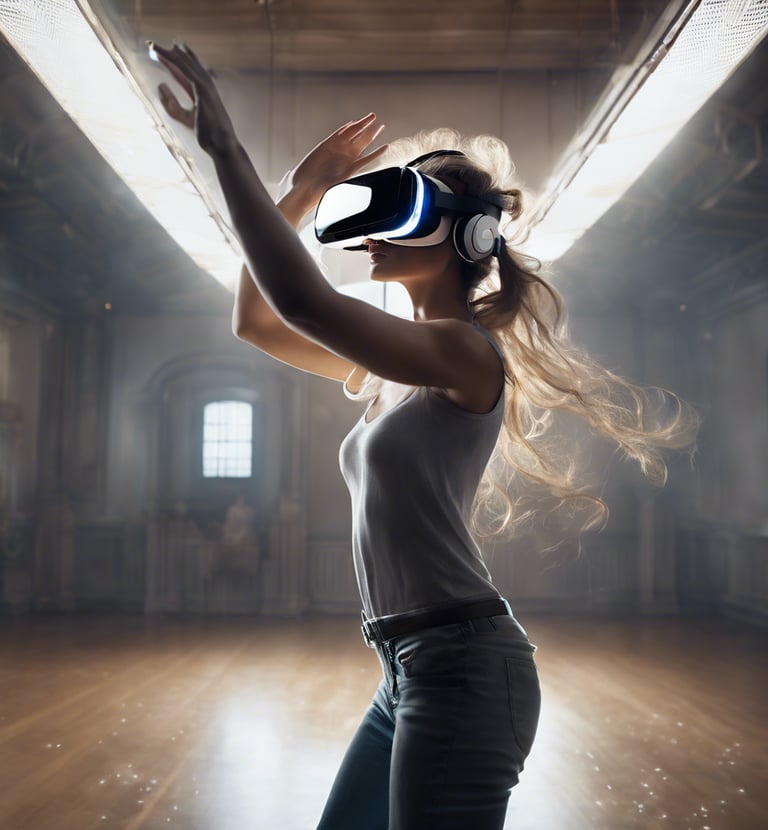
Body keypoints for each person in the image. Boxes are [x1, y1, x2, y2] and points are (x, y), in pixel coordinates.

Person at [152, 43, 697, 830]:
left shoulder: (462, 352)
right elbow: (258, 321)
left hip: (463, 670)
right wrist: (302, 188)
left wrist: (226, 150)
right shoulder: (389, 368)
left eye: (402, 214)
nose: (372, 230)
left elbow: (302, 302)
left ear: (466, 242)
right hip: (405, 670)